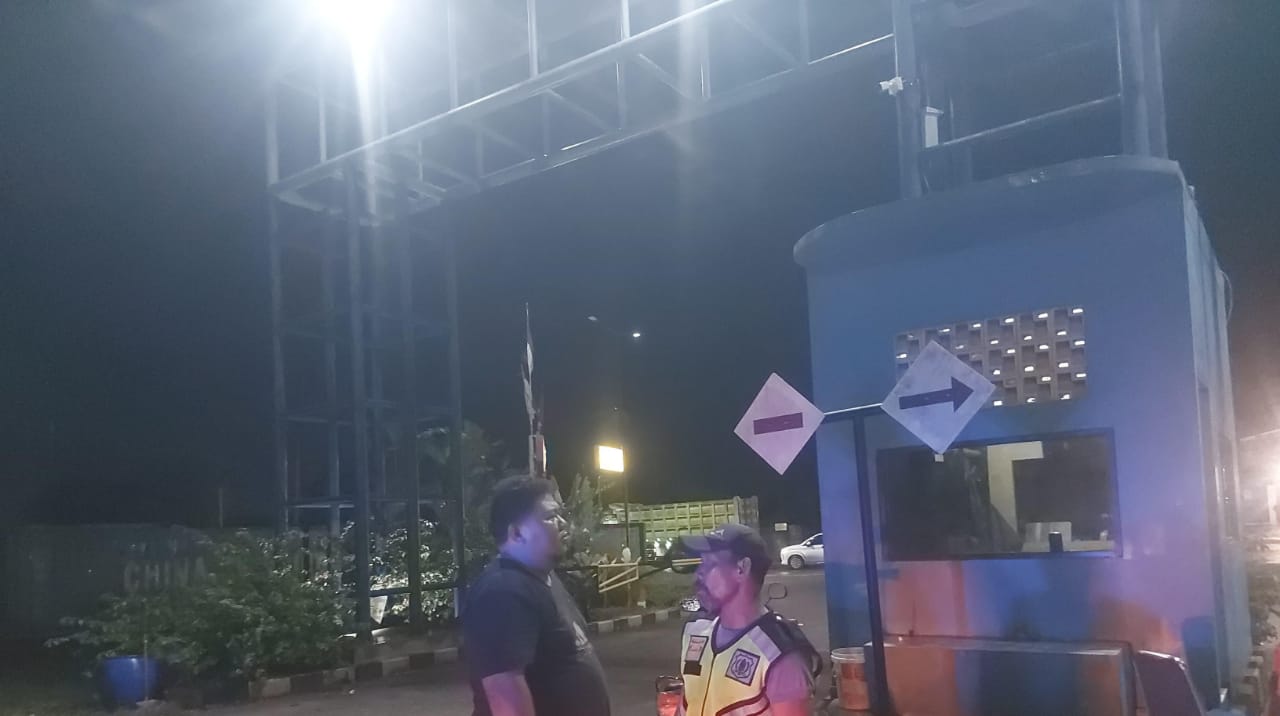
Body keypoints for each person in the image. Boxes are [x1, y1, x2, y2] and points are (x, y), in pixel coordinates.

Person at [463, 475, 611, 716]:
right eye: (550, 517)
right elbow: (506, 700)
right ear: (517, 533)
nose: (563, 523)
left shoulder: (543, 579)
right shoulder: (503, 592)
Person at [675, 523, 821, 716]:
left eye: (710, 564)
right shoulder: (695, 631)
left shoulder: (779, 655)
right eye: (701, 563)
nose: (699, 573)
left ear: (741, 568)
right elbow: (687, 703)